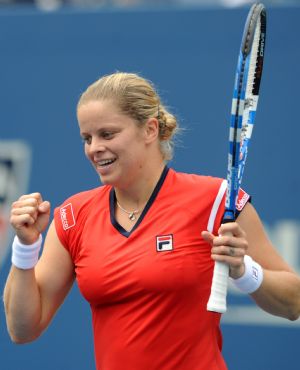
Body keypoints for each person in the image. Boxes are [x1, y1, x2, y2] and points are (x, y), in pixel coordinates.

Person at [3, 72, 300, 370]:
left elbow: (293, 302)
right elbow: (23, 329)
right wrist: (26, 247)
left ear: (150, 129)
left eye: (107, 134)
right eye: (87, 138)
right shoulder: (73, 216)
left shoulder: (216, 201)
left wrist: (243, 270)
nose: (94, 148)